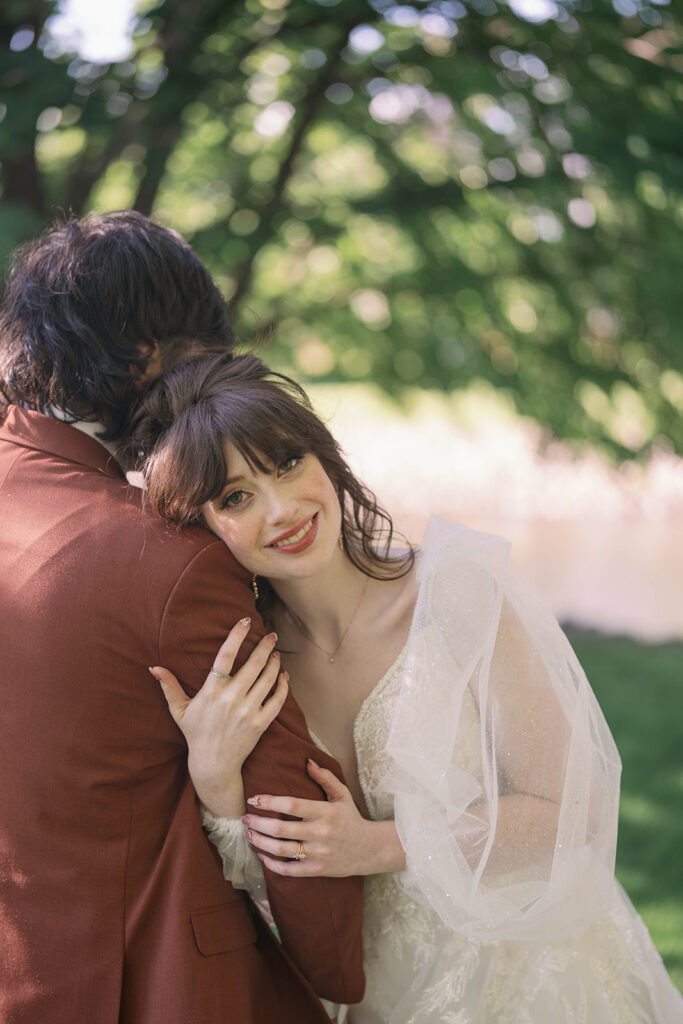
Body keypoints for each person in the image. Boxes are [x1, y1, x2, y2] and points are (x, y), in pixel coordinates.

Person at [137, 350, 683, 1024]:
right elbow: (271, 889)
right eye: (236, 498)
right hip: (376, 998)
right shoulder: (251, 668)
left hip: (527, 980)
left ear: (323, 459)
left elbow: (571, 810)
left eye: (287, 463)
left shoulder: (455, 594)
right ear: (201, 526)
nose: (281, 509)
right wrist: (215, 779)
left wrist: (374, 845)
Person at [0, 213, 364, 1024]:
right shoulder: (165, 561)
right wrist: (337, 973)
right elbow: (289, 818)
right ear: (148, 357)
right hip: (150, 991)